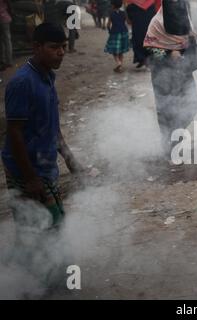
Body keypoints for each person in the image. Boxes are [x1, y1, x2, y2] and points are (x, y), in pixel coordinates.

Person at [1, 23, 83, 286]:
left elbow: (52, 126)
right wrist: (30, 178)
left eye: (62, 47)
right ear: (37, 47)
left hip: (45, 167)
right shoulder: (22, 82)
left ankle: (47, 279)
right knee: (40, 227)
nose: (60, 52)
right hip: (27, 170)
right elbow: (13, 133)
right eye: (53, 47)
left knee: (48, 225)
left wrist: (71, 161)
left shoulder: (48, 75)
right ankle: (29, 283)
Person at [143, 0, 197, 159]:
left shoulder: (184, 18)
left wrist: (191, 37)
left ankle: (175, 138)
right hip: (163, 74)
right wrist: (168, 53)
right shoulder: (157, 23)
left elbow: (185, 41)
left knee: (193, 104)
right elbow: (149, 50)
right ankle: (169, 146)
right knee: (167, 111)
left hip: (183, 72)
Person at [126, 1, 158, 68]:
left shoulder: (133, 4)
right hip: (149, 17)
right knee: (149, 39)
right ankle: (148, 58)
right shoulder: (151, 3)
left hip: (138, 20)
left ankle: (142, 59)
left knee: (138, 40)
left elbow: (129, 16)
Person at [104, 0, 130, 73]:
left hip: (115, 33)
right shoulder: (124, 13)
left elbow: (108, 25)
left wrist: (109, 31)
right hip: (124, 32)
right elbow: (128, 22)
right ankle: (120, 65)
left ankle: (118, 63)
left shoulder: (111, 13)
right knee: (121, 50)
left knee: (114, 50)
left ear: (113, 5)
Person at [0, 0, 13, 70]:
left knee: (2, 41)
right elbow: (9, 4)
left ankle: (3, 61)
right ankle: (8, 61)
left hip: (3, 18)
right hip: (4, 18)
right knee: (7, 41)